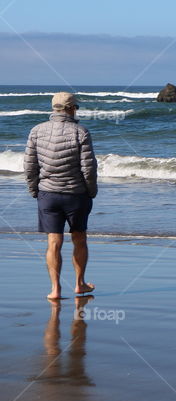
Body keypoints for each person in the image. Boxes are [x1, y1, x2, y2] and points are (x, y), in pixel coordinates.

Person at [24, 92, 98, 300]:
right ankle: (79, 284)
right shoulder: (80, 131)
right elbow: (88, 168)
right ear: (72, 108)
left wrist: (34, 190)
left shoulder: (36, 131)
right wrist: (91, 191)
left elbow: (30, 166)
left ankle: (55, 289)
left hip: (48, 193)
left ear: (54, 108)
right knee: (79, 238)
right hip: (76, 194)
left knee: (53, 242)